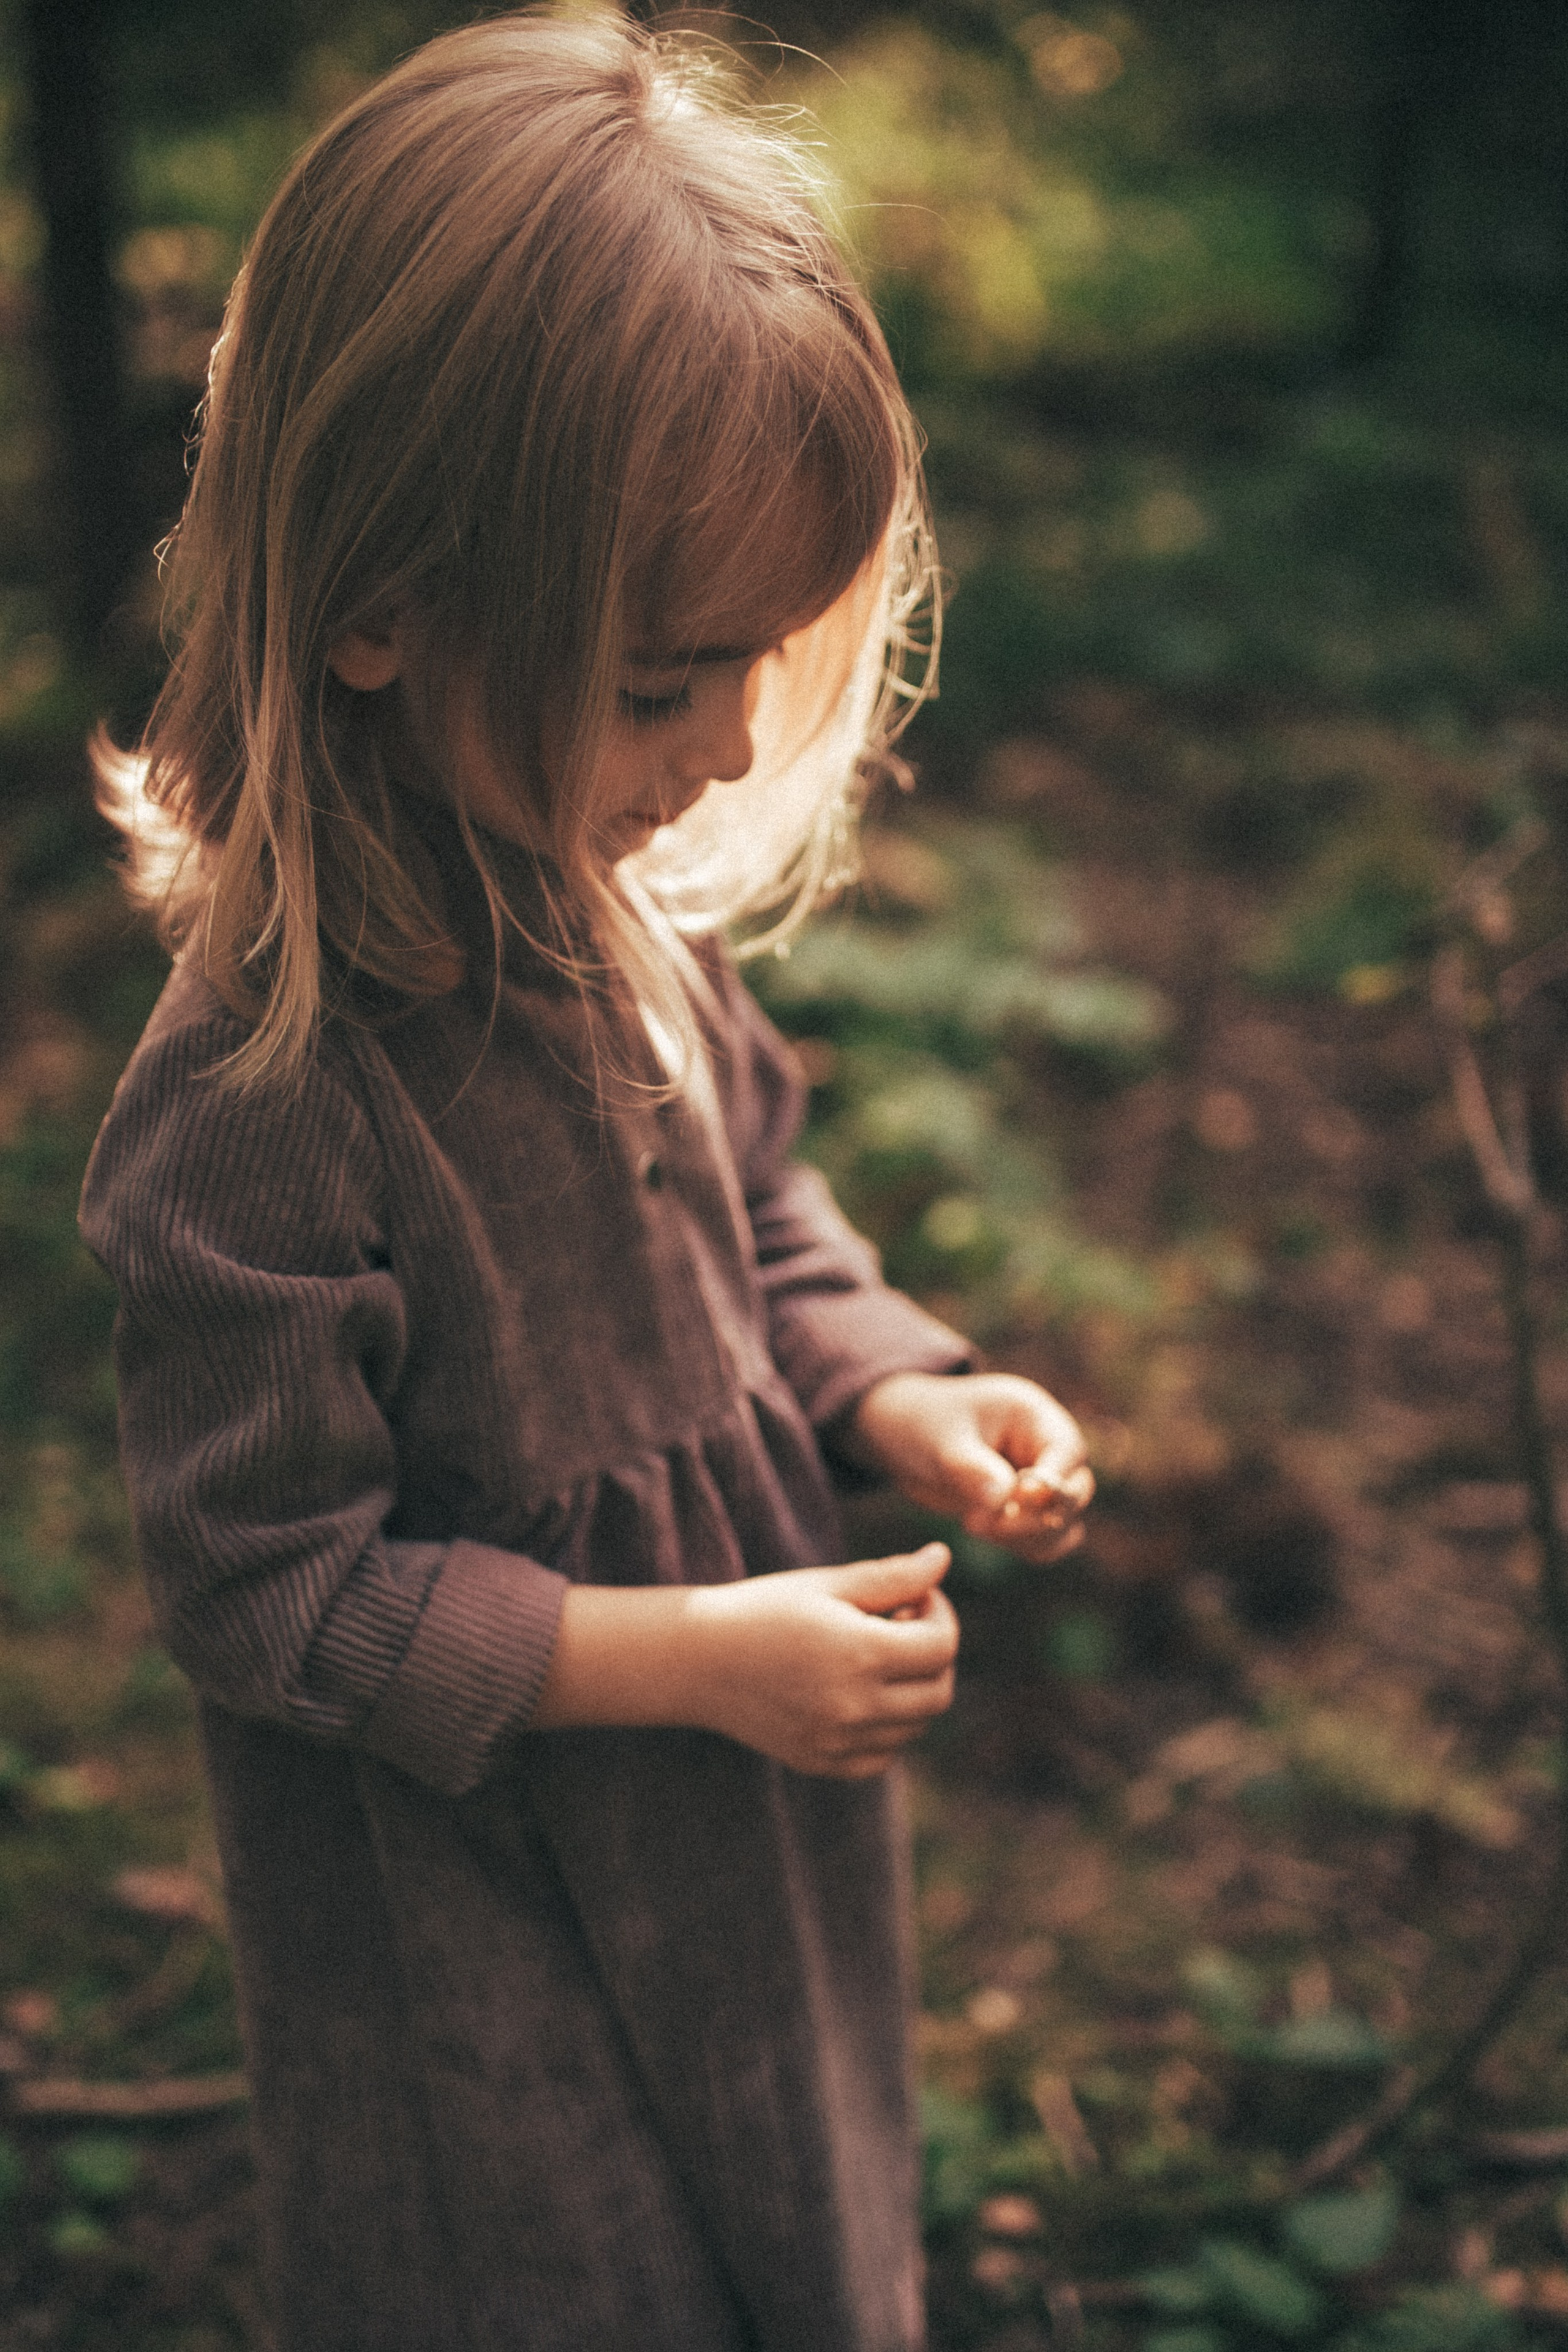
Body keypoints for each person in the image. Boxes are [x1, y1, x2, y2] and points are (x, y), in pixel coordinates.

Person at [79, 14, 1093, 2350]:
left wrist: (901, 1395)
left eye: (753, 664)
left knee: (781, 2202)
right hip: (484, 1905)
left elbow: (761, 1217)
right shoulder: (269, 1091)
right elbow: (267, 1589)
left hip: (736, 1837)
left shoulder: (605, 907)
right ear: (377, 605)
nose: (727, 744)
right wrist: (691, 1658)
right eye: (659, 678)